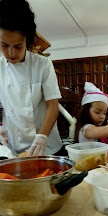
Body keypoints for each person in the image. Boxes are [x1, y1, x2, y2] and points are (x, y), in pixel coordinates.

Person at [0, 0, 63, 156]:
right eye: (4, 45)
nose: (11, 53)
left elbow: (53, 105)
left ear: (27, 41)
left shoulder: (43, 64)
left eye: (18, 46)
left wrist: (42, 137)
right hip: (14, 146)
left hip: (46, 146)